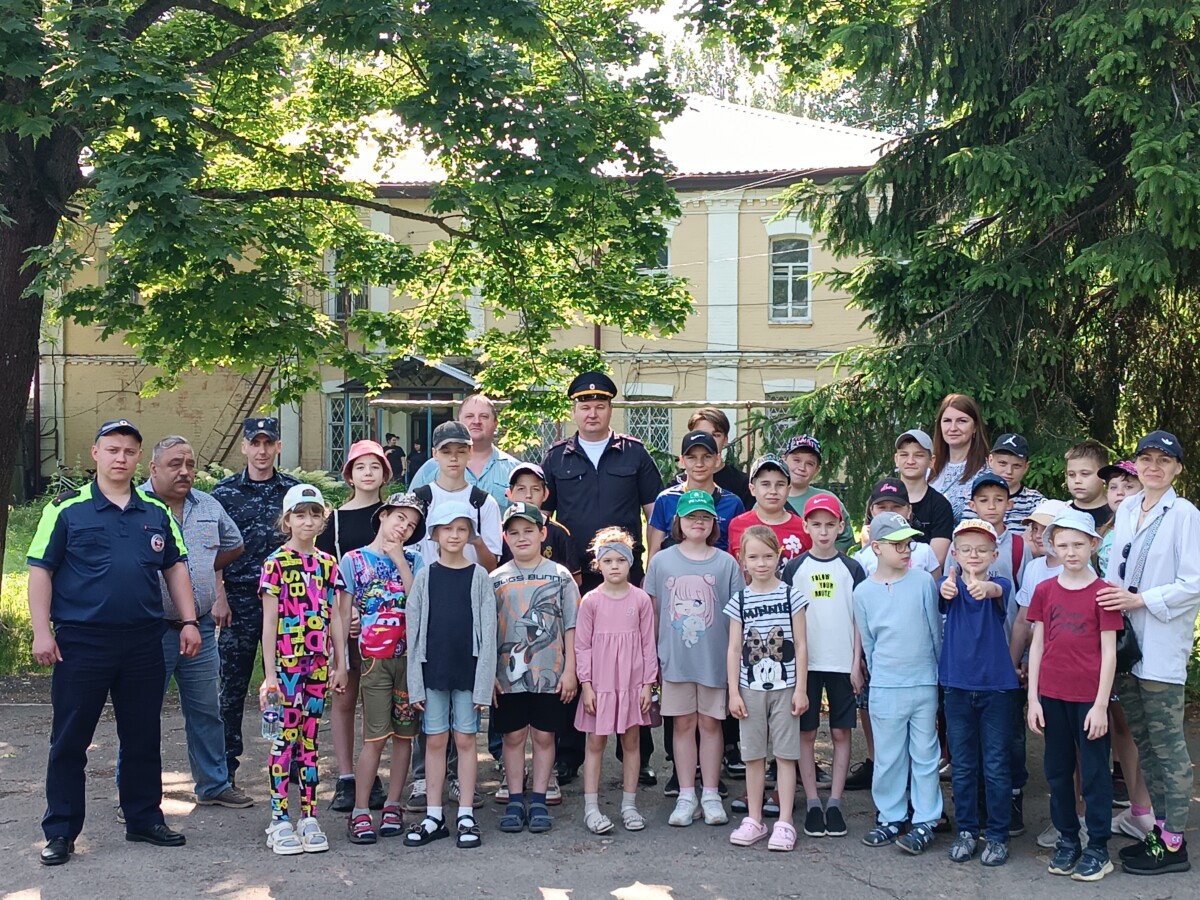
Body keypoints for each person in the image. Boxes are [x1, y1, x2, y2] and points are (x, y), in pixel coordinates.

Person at [30, 419, 198, 865]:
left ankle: (143, 819)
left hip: (143, 641)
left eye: (128, 451)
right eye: (112, 449)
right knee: (70, 740)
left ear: (139, 458)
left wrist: (189, 621)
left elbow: (176, 566)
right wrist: (42, 631)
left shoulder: (155, 511)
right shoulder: (66, 509)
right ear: (96, 453)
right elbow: (40, 570)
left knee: (142, 735)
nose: (120, 458)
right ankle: (61, 831)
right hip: (82, 642)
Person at [541, 370, 663, 784]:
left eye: (599, 405)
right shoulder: (557, 458)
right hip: (576, 578)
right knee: (578, 660)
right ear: (573, 411)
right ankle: (569, 754)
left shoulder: (634, 454)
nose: (591, 413)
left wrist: (651, 567)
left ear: (611, 409)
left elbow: (654, 516)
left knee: (631, 659)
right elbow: (545, 522)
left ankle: (638, 756)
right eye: (584, 406)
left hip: (626, 577)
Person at [1098, 430, 1200, 876]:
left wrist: (1142, 600)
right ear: (1135, 464)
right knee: (1144, 743)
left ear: (1177, 468)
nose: (1153, 467)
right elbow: (1115, 571)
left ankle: (1174, 844)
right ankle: (1159, 832)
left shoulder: (1186, 515)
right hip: (1127, 643)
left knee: (1167, 745)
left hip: (1159, 645)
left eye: (1164, 460)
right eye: (1146, 458)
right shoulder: (1126, 509)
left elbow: (1194, 582)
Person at [132, 436, 249, 811]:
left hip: (199, 627)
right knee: (141, 714)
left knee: (207, 710)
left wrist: (200, 569)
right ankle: (136, 793)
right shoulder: (134, 507)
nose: (184, 471)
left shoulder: (208, 505)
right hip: (150, 630)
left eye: (190, 464)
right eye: (175, 464)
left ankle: (213, 784)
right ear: (153, 469)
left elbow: (234, 543)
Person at [405, 421, 502, 812]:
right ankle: (424, 781)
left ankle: (461, 784)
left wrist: (474, 538)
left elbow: (493, 561)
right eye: (446, 451)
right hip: (428, 596)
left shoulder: (483, 502)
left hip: (468, 597)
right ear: (435, 454)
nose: (454, 458)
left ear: (469, 453)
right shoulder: (419, 499)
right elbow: (405, 548)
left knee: (463, 725)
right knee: (430, 710)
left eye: (461, 450)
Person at [1027, 508, 1122, 881]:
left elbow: (1110, 653)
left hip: (1089, 700)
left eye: (1078, 545)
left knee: (1095, 774)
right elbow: (1037, 645)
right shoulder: (1045, 590)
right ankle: (1068, 839)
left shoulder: (1103, 594)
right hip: (1052, 696)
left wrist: (1100, 705)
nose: (1070, 552)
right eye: (1063, 545)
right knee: (1057, 771)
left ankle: (1098, 846)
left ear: (1093, 545)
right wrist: (1033, 699)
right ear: (1052, 545)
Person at [645, 490, 744, 827]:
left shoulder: (726, 563)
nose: (698, 522)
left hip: (714, 661)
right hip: (675, 661)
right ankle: (686, 794)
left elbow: (736, 617)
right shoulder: (661, 562)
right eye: (691, 516)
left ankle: (711, 793)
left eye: (705, 517)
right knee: (683, 724)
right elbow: (653, 613)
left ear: (715, 522)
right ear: (678, 522)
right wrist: (652, 658)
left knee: (711, 724)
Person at [258, 483, 347, 855]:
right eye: (300, 514)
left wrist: (341, 663)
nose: (308, 521)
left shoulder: (328, 564)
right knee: (284, 739)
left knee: (310, 742)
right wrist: (270, 675)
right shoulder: (275, 563)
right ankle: (279, 818)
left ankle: (309, 816)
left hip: (319, 666)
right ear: (287, 520)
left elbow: (336, 617)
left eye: (314, 514)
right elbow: (269, 623)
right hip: (287, 667)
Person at [404, 503, 498, 850]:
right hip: (433, 671)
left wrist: (484, 684)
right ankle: (434, 815)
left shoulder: (479, 577)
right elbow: (413, 632)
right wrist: (415, 682)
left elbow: (489, 633)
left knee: (466, 740)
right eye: (447, 529)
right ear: (435, 534)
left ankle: (466, 814)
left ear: (470, 534)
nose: (454, 535)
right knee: (434, 741)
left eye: (461, 529)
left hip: (468, 672)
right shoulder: (425, 576)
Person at [211, 417, 299, 785]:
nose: (261, 450)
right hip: (239, 600)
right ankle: (224, 769)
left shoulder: (294, 492)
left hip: (287, 601)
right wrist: (219, 597)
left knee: (290, 685)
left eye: (268, 443)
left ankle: (293, 761)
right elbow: (212, 548)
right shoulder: (224, 493)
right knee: (231, 690)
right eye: (255, 443)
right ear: (244, 446)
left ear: (278, 446)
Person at [853, 512, 943, 855]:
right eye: (897, 545)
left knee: (925, 754)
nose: (906, 550)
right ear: (876, 547)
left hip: (923, 682)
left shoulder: (922, 582)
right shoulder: (863, 592)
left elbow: (934, 632)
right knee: (888, 756)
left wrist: (935, 677)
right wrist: (878, 677)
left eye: (908, 544)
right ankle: (891, 816)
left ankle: (925, 819)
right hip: (886, 686)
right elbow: (869, 642)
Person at [341, 493, 426, 845]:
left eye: (412, 525)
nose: (404, 527)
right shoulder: (353, 560)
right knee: (375, 736)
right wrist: (340, 662)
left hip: (409, 661)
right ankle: (360, 809)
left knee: (405, 735)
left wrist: (400, 560)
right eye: (399, 518)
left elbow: (419, 603)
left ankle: (393, 804)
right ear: (383, 515)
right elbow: (342, 611)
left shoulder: (416, 560)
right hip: (373, 662)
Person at [492, 502, 580, 835]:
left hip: (550, 673)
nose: (522, 538)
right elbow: (487, 631)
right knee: (513, 736)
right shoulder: (495, 579)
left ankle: (540, 798)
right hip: (508, 677)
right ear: (505, 538)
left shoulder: (560, 576)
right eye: (514, 532)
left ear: (543, 533)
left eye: (529, 530)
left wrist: (570, 671)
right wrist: (489, 676)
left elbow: (571, 626)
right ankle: (516, 799)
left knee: (544, 735)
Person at [783, 495, 865, 840]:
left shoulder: (852, 568)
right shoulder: (794, 568)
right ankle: (813, 800)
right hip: (807, 665)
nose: (823, 531)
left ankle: (835, 801)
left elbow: (859, 618)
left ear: (841, 526)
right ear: (805, 527)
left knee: (841, 732)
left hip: (842, 662)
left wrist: (856, 663)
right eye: (816, 524)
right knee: (806, 732)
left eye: (830, 525)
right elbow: (788, 619)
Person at [938, 518, 1017, 866]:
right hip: (956, 686)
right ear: (954, 554)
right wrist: (948, 586)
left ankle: (997, 835)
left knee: (996, 765)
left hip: (996, 688)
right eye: (967, 549)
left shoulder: (999, 583)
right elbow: (944, 593)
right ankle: (967, 830)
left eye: (982, 550)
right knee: (963, 765)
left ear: (994, 554)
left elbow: (993, 591)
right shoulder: (948, 585)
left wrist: (982, 587)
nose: (974, 555)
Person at [319, 438, 392, 812]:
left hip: (387, 626)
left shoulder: (393, 515)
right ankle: (347, 777)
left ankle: (373, 773)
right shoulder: (333, 523)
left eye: (375, 466)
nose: (368, 473)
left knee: (379, 702)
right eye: (360, 467)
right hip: (346, 625)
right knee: (344, 697)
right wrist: (342, 616)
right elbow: (328, 577)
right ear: (349, 475)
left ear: (385, 474)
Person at [726, 526, 809, 851]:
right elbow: (734, 648)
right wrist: (734, 692)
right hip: (750, 690)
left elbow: (800, 645)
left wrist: (801, 688)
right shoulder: (739, 600)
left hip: (786, 688)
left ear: (778, 557)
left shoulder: (791, 596)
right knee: (753, 756)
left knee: (786, 755)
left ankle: (785, 822)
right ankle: (755, 819)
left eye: (768, 556)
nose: (761, 563)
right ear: (743, 560)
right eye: (754, 557)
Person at [574, 528, 659, 834]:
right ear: (598, 564)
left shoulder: (640, 599)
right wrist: (586, 684)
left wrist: (648, 684)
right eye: (607, 561)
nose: (614, 566)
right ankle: (591, 808)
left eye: (620, 560)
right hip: (600, 685)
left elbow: (648, 644)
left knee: (632, 742)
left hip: (632, 684)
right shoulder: (590, 601)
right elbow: (582, 646)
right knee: (595, 742)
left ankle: (629, 805)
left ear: (630, 562)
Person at [409, 393, 519, 508]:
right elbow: (410, 511)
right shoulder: (430, 469)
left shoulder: (515, 470)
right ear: (458, 422)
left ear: (495, 423)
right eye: (469, 416)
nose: (476, 421)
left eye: (484, 416)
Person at [648, 430, 745, 557]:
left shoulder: (732, 503)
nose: (699, 464)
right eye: (692, 458)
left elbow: (740, 551)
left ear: (717, 459)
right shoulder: (666, 499)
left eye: (707, 457)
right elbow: (655, 551)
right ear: (682, 461)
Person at [727, 454, 811, 570]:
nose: (773, 491)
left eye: (780, 485)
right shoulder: (737, 525)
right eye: (765, 484)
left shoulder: (803, 528)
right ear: (752, 489)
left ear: (788, 489)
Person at [780, 434, 854, 551]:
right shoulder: (769, 499)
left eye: (810, 464)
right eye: (796, 460)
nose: (802, 467)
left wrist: (824, 556)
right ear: (784, 460)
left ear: (817, 469)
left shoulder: (828, 499)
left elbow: (846, 538)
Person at [853, 479, 941, 576]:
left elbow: (935, 584)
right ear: (872, 511)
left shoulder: (924, 552)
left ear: (909, 510)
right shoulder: (862, 557)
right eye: (882, 507)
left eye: (896, 507)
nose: (889, 513)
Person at [893, 429, 954, 568]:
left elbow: (936, 559)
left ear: (931, 461)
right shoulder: (882, 499)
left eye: (919, 455)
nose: (910, 461)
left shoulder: (940, 505)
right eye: (904, 455)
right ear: (896, 459)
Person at [928, 393, 991, 523]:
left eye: (962, 421)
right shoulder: (928, 470)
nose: (953, 428)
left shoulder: (987, 471)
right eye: (947, 421)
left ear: (975, 427)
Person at [688, 407, 752, 509]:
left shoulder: (742, 484)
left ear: (725, 440)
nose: (708, 440)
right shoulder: (677, 484)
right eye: (702, 434)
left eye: (716, 435)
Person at [988, 433, 1044, 534]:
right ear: (991, 460)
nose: (1009, 471)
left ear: (1026, 467)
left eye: (1017, 466)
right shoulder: (976, 497)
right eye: (1003, 463)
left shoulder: (1035, 501)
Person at [1096, 460, 1140, 573]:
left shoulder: (1148, 531)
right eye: (1113, 487)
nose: (1119, 492)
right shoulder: (1101, 534)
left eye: (1128, 487)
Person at [1065, 440, 1113, 530]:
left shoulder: (1117, 513)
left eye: (1085, 474)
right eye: (1071, 474)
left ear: (1104, 475)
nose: (1077, 481)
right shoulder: (1062, 513)